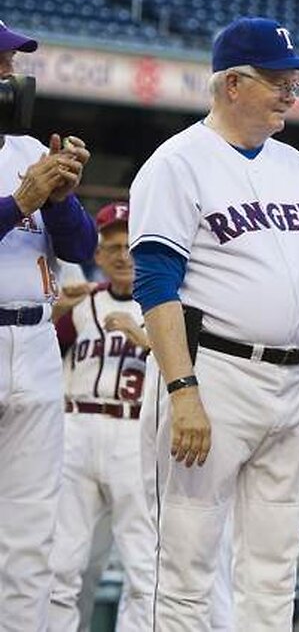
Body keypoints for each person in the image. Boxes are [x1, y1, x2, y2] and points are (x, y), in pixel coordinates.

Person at [128, 16, 299, 629]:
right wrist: (183, 391)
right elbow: (155, 284)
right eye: (278, 80)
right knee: (184, 567)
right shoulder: (177, 162)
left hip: (290, 385)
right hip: (213, 374)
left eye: (293, 83)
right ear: (231, 84)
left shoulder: (298, 168)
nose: (290, 92)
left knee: (274, 569)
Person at [0, 20, 96, 629]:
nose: (10, 72)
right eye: (3, 61)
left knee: (32, 530)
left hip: (34, 339)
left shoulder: (28, 150)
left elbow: (81, 244)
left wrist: (60, 198)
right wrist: (19, 204)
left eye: (10, 62)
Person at [48, 202, 156, 630]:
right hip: (76, 428)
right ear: (96, 255)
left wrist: (143, 337)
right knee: (62, 563)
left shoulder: (162, 308)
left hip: (135, 433)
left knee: (144, 564)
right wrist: (56, 309)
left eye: (130, 245)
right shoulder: (79, 304)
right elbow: (43, 354)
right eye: (112, 246)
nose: (123, 254)